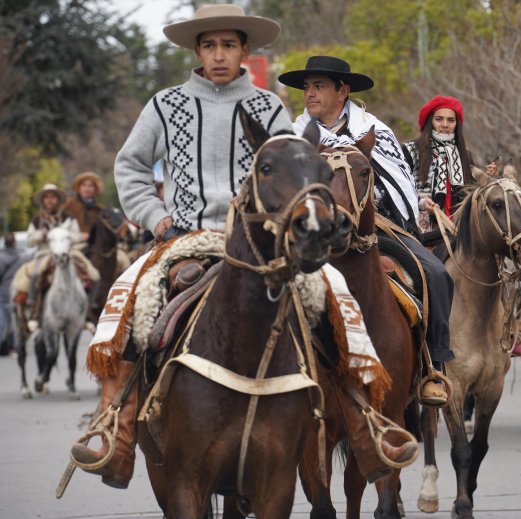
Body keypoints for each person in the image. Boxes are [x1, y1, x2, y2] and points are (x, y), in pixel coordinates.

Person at [71, 5, 414, 490]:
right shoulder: (164, 104)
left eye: (228, 46)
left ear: (245, 51)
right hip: (185, 237)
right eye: (209, 46)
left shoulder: (268, 107)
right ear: (197, 51)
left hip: (261, 242)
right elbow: (129, 167)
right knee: (131, 297)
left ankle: (363, 423)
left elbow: (295, 171)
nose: (218, 55)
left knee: (335, 291)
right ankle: (118, 429)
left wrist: (292, 219)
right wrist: (155, 216)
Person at [278, 55, 455, 405]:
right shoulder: (294, 136)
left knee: (436, 273)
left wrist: (364, 203)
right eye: (307, 87)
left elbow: (398, 182)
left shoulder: (376, 131)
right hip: (312, 230)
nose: (309, 93)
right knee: (267, 279)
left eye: (318, 86)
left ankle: (432, 366)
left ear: (342, 91)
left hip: (377, 224)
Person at [11, 184, 90, 332]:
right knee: (35, 274)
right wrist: (41, 234)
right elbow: (29, 240)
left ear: (58, 199)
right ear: (43, 201)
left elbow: (77, 236)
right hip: (45, 253)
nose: (50, 200)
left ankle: (88, 314)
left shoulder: (68, 218)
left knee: (91, 273)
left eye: (53, 197)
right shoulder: (36, 220)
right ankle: (34, 311)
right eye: (46, 197)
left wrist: (66, 236)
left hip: (68, 252)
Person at [402, 95, 474, 231]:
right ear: (430, 122)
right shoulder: (410, 150)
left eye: (451, 120)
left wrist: (484, 177)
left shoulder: (465, 154)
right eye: (439, 119)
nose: (445, 125)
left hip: (458, 229)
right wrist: (421, 203)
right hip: (418, 230)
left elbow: (470, 191)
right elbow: (399, 188)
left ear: (456, 124)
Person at [61, 172, 104, 242]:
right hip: (71, 242)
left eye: (90, 186)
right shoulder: (68, 204)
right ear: (79, 187)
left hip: (93, 244)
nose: (87, 189)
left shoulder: (99, 210)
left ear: (95, 189)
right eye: (84, 185)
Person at [0, 234, 24, 355]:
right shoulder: (21, 257)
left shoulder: (1, 258)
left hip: (3, 293)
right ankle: (16, 346)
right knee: (16, 321)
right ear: (14, 243)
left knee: (3, 320)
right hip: (17, 292)